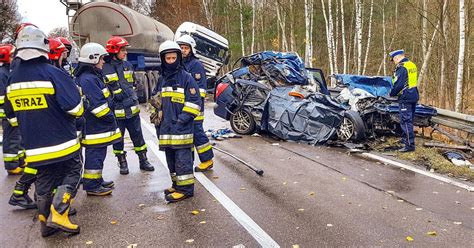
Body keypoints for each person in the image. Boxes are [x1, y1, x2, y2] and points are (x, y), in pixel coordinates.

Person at [5, 26, 83, 236]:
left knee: (45, 181)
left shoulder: (12, 80)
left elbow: (11, 118)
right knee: (74, 172)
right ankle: (59, 212)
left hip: (33, 147)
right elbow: (75, 108)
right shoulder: (53, 73)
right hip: (63, 143)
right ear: (43, 48)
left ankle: (45, 225)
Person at [154, 40, 201, 203]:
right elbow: (155, 98)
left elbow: (195, 103)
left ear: (179, 58)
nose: (171, 61)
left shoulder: (186, 78)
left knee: (183, 161)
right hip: (166, 130)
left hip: (181, 130)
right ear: (163, 59)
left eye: (174, 58)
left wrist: (181, 121)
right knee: (171, 160)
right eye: (168, 59)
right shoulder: (162, 79)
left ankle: (186, 189)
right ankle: (176, 184)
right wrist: (156, 110)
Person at [103, 36, 154, 174]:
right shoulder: (105, 68)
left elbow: (132, 85)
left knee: (138, 135)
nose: (125, 52)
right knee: (118, 139)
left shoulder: (128, 66)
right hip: (117, 112)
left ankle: (143, 160)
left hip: (132, 110)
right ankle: (122, 163)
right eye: (123, 50)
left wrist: (133, 96)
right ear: (114, 51)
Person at [75, 43, 121, 196]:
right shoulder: (88, 79)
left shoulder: (90, 77)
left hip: (96, 125)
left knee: (98, 154)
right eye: (101, 59)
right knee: (95, 155)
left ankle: (96, 179)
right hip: (95, 126)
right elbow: (97, 107)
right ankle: (92, 185)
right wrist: (110, 118)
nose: (103, 62)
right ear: (93, 59)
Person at [176, 35, 214, 172]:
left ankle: (207, 160)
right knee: (187, 135)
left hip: (195, 107)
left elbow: (201, 89)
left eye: (186, 48)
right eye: (181, 48)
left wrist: (193, 102)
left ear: (191, 50)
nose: (183, 50)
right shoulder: (178, 64)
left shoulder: (196, 65)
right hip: (182, 107)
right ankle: (188, 162)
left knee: (197, 133)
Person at [0, 44, 26, 175]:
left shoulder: (9, 71)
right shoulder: (2, 73)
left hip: (13, 111)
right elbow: (3, 97)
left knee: (18, 137)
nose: (14, 57)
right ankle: (11, 165)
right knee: (11, 139)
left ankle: (20, 160)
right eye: (12, 55)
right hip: (6, 113)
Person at [389, 49, 419, 152]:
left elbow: (399, 84)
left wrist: (391, 94)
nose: (394, 62)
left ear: (397, 57)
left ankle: (409, 146)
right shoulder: (411, 64)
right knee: (409, 120)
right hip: (414, 95)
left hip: (405, 96)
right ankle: (405, 141)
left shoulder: (402, 67)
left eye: (393, 59)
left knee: (405, 121)